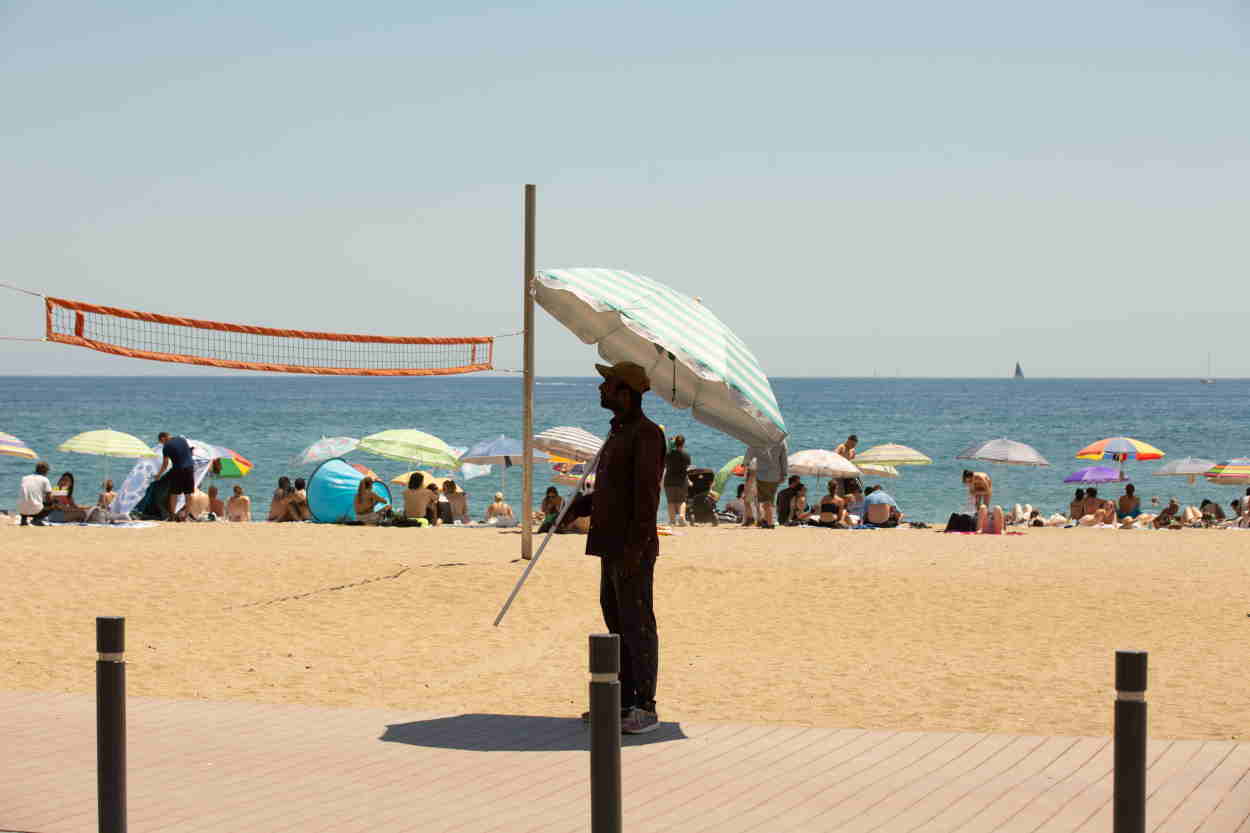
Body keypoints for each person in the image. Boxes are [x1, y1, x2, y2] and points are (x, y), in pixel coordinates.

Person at [563, 361, 664, 734]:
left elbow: (646, 498)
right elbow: (613, 491)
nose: (600, 389)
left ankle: (645, 705)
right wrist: (581, 505)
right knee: (616, 620)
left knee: (638, 622)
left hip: (630, 546)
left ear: (626, 392)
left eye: (607, 384)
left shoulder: (646, 434)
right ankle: (620, 702)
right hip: (609, 543)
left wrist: (635, 550)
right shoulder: (618, 433)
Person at [743, 438, 788, 529]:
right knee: (770, 499)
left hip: (762, 474)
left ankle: (769, 522)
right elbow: (784, 459)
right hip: (776, 475)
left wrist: (745, 462)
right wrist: (784, 474)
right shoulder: (781, 441)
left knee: (766, 501)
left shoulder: (758, 439)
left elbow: (750, 451)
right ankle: (767, 520)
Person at [155, 432, 196, 522]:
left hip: (178, 470)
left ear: (163, 439)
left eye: (161, 442)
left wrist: (158, 475)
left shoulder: (166, 447)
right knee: (188, 494)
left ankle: (172, 516)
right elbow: (190, 452)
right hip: (189, 468)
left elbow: (165, 464)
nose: (162, 444)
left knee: (174, 494)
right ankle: (186, 516)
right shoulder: (182, 439)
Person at [663, 434, 691, 527]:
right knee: (681, 501)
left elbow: (665, 464)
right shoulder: (686, 455)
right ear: (683, 444)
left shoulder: (668, 454)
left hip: (669, 481)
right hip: (681, 481)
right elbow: (687, 467)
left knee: (671, 501)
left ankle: (672, 521)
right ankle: (682, 517)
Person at [17, 461, 54, 526]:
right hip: (36, 511)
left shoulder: (25, 478)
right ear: (44, 470)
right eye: (47, 471)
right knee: (52, 505)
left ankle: (23, 519)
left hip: (21, 509)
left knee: (27, 500)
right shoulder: (45, 479)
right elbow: (49, 498)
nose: (47, 473)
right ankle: (37, 519)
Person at [741, 459, 758, 527]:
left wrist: (745, 492)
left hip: (751, 488)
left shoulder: (750, 473)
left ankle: (750, 518)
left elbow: (748, 483)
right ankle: (757, 519)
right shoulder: (756, 473)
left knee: (747, 502)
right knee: (757, 505)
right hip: (757, 488)